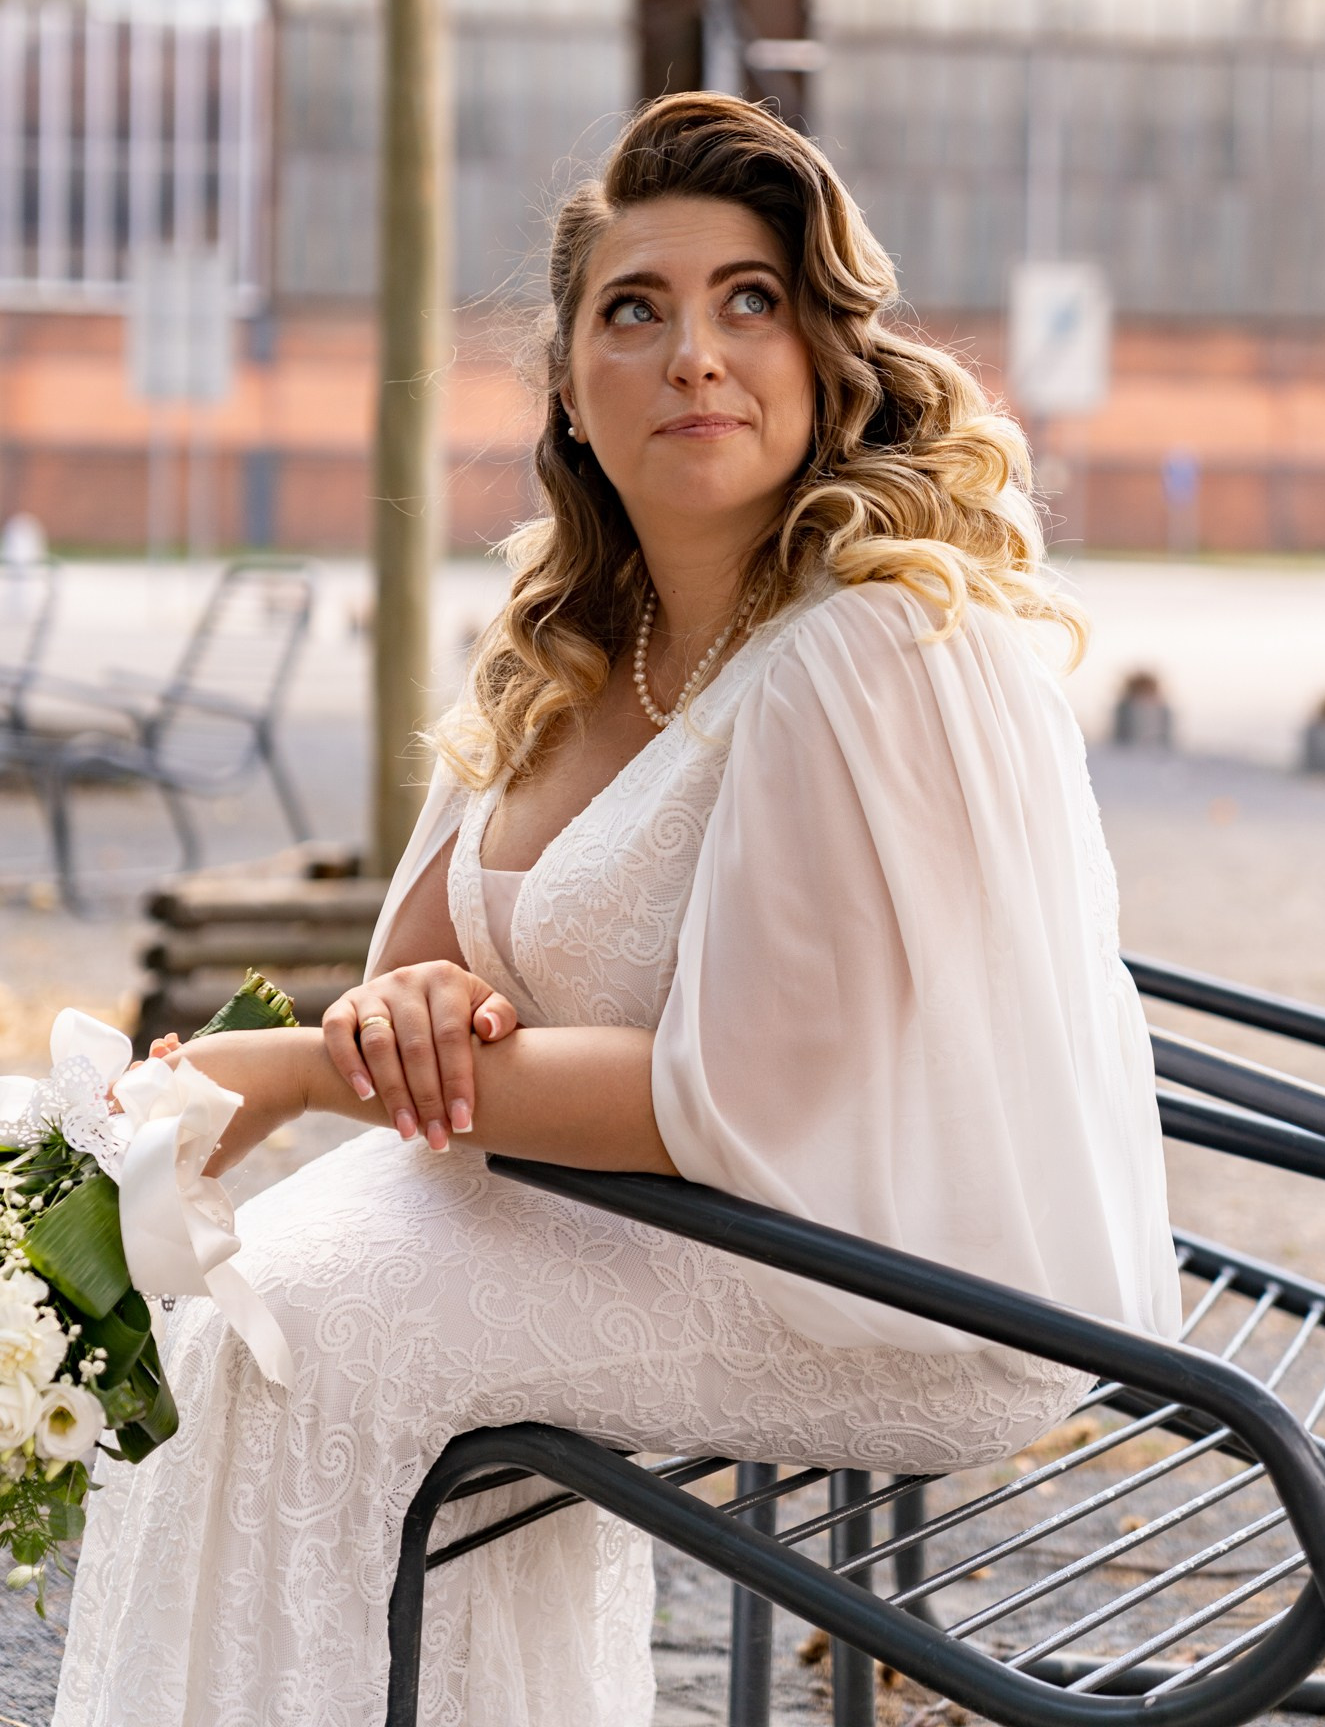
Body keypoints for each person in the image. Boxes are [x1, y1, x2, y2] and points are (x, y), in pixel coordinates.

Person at [54, 94, 1180, 1727]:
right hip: (658, 1201)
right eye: (634, 312)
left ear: (825, 361)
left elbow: (736, 1097)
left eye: (750, 301)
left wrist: (302, 1069)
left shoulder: (868, 647)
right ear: (571, 389)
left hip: (889, 1274)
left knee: (296, 1333)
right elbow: (415, 979)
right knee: (245, 1314)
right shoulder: (576, 638)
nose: (693, 355)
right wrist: (398, 1017)